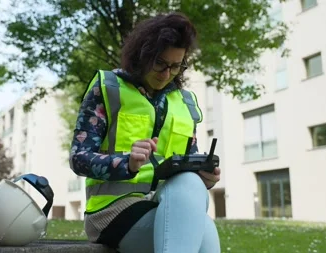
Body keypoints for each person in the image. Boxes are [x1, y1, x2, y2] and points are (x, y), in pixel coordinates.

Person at [69, 12, 221, 253]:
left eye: (175, 66)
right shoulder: (107, 89)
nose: (166, 73)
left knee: (191, 182)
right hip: (112, 211)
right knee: (203, 231)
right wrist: (126, 162)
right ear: (142, 54)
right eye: (160, 63)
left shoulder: (185, 102)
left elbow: (187, 167)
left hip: (169, 205)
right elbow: (78, 158)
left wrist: (206, 177)